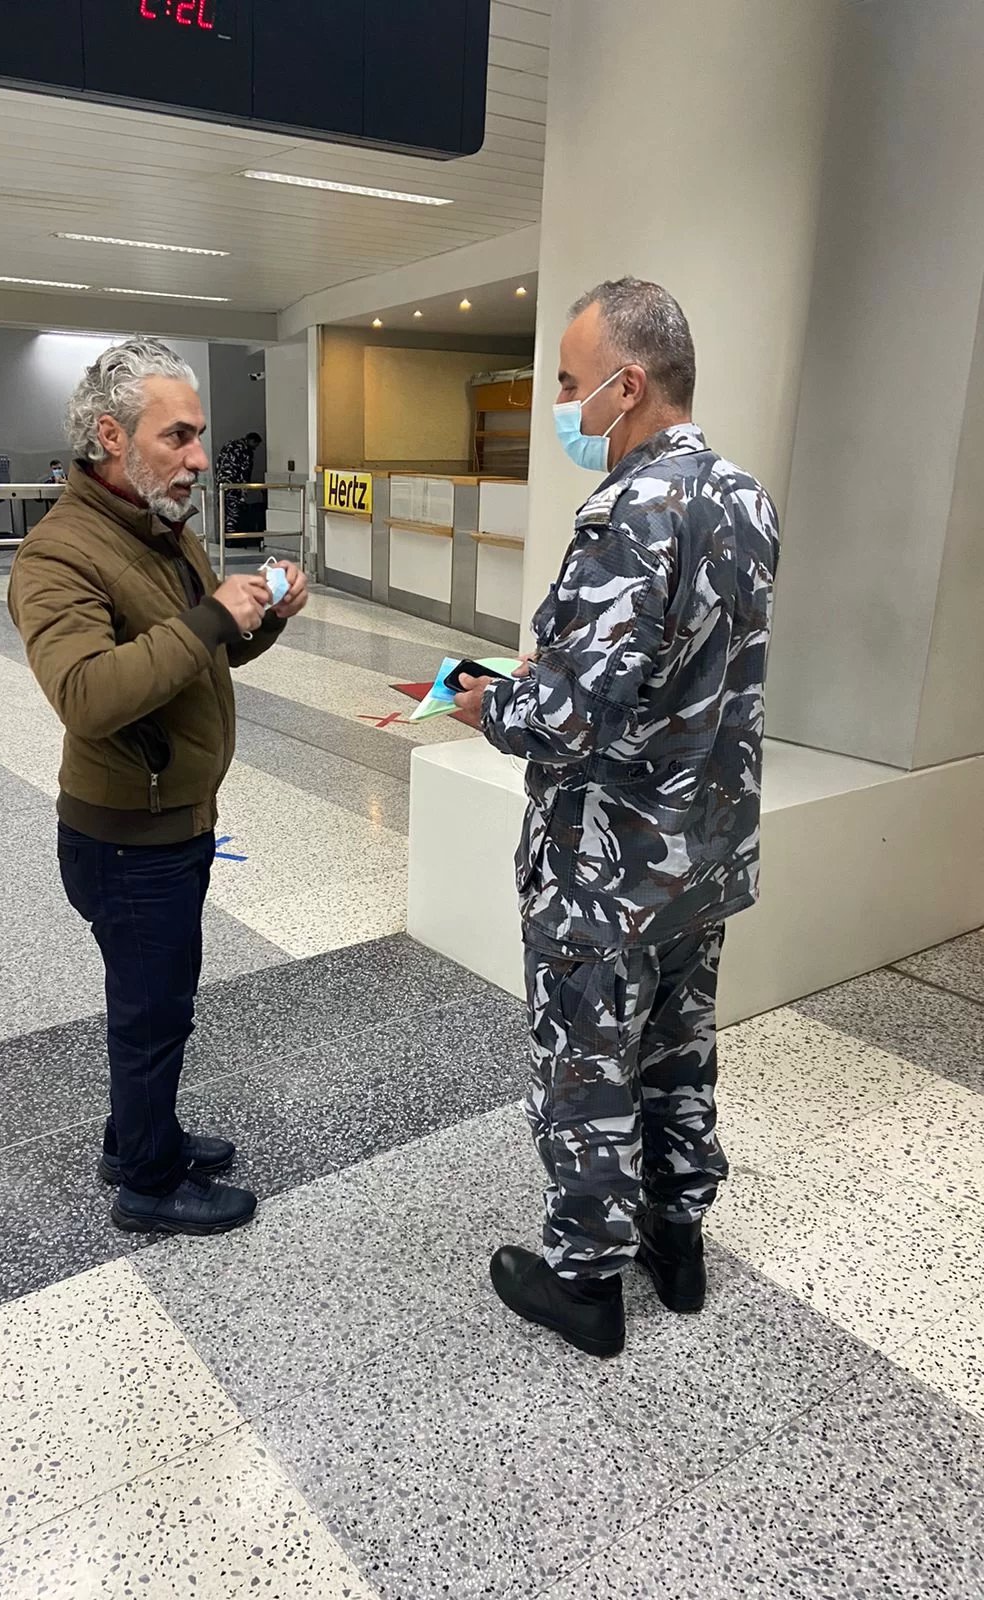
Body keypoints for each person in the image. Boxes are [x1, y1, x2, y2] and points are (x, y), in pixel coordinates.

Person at [455, 279, 779, 1358]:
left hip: (609, 866)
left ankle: (585, 1281)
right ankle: (675, 1242)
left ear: (626, 385)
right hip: (704, 849)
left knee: (589, 1064)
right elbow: (691, 673)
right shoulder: (746, 499)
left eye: (568, 382)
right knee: (679, 1048)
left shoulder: (630, 511)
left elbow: (568, 715)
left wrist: (491, 704)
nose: (562, 403)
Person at [8, 340, 308, 1237]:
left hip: (174, 819)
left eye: (198, 435)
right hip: (124, 839)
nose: (199, 457)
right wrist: (213, 615)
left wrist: (260, 619)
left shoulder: (162, 528)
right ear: (112, 436)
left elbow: (198, 655)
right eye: (178, 436)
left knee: (158, 1001)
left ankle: (138, 1135)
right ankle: (147, 1181)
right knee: (152, 1015)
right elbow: (88, 694)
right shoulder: (59, 554)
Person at [213, 430, 262, 536]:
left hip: (222, 483)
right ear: (252, 441)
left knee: (223, 510)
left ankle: (223, 536)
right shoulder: (246, 451)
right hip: (234, 485)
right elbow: (245, 471)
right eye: (256, 445)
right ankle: (231, 537)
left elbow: (218, 464)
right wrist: (244, 489)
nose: (255, 448)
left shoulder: (228, 445)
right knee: (233, 512)